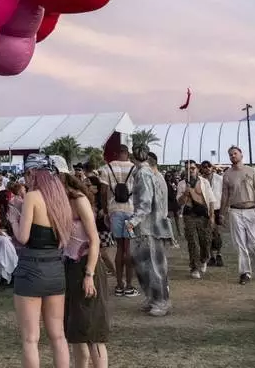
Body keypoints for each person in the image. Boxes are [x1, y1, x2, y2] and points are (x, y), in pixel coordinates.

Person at [13, 154, 72, 368]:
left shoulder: (32, 197)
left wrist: (13, 220)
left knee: (30, 339)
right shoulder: (60, 198)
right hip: (56, 269)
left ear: (32, 173)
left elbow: (23, 237)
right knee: (58, 336)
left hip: (31, 269)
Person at [61, 174, 106, 368]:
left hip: (87, 265)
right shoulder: (59, 200)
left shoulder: (79, 200)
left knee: (92, 329)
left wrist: (89, 274)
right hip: (69, 266)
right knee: (76, 330)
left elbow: (94, 239)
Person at [126, 149, 171, 316]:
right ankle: (152, 298)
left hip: (149, 227)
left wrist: (133, 221)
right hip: (149, 226)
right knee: (144, 265)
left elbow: (145, 203)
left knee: (153, 266)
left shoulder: (144, 174)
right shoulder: (147, 173)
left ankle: (161, 301)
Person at [221, 146, 255, 284]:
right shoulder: (227, 174)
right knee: (240, 244)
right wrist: (222, 213)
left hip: (251, 209)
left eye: (235, 153)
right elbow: (225, 195)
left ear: (241, 155)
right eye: (230, 154)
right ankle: (245, 273)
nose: (232, 156)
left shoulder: (252, 171)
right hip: (235, 211)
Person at [97, 144, 136, 297]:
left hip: (114, 211)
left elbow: (103, 191)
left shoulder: (108, 168)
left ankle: (119, 285)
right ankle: (129, 285)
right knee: (128, 248)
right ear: (127, 153)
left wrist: (106, 210)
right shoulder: (134, 168)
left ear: (115, 153)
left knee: (119, 248)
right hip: (131, 212)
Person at [177, 160, 215, 279]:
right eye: (188, 169)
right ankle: (194, 267)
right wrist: (186, 193)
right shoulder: (182, 184)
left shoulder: (204, 182)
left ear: (197, 169)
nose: (191, 171)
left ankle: (204, 259)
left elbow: (210, 199)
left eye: (192, 168)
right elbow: (179, 201)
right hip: (189, 215)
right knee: (192, 241)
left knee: (206, 241)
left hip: (203, 214)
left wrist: (212, 215)